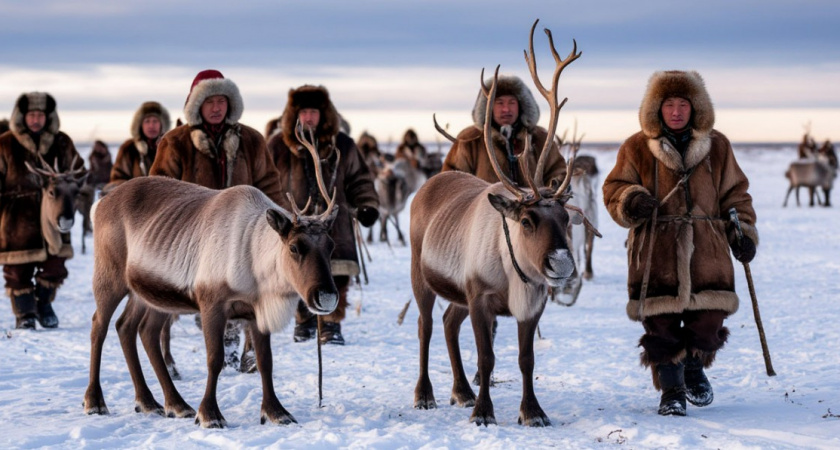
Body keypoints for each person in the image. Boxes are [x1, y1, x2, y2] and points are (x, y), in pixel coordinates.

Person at [602, 70, 758, 416]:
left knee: (709, 318)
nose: (675, 111)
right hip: (655, 249)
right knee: (662, 325)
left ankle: (694, 367)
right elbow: (613, 189)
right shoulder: (635, 147)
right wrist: (632, 200)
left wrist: (742, 232)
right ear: (656, 108)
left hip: (708, 247)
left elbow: (736, 194)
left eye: (682, 104)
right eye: (668, 104)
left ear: (695, 107)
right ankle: (671, 391)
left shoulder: (718, 146)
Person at [150, 70, 284, 372]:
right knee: (208, 297)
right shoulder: (175, 142)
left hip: (246, 234)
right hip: (193, 236)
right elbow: (157, 189)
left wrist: (280, 223)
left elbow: (269, 184)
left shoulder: (251, 140)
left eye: (222, 101)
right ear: (197, 104)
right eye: (210, 101)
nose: (216, 107)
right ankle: (188, 350)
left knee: (250, 293)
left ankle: (242, 349)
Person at [268, 85, 379, 345]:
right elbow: (265, 182)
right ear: (294, 114)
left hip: (333, 224)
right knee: (297, 269)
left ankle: (331, 322)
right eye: (303, 112)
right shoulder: (277, 145)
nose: (308, 117)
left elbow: (359, 179)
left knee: (337, 274)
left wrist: (366, 205)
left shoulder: (342, 144)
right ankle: (303, 318)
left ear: (324, 113)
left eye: (313, 112)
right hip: (293, 225)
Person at [0, 92, 85, 329]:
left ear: (48, 117)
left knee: (55, 266)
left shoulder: (62, 142)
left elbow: (80, 173)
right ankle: (25, 313)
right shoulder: (5, 143)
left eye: (40, 115)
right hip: (17, 220)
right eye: (31, 115)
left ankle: (44, 305)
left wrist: (71, 186)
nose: (36, 119)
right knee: (17, 272)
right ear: (22, 117)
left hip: (56, 217)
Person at [442, 74, 566, 185]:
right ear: (488, 107)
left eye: (512, 102)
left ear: (521, 105)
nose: (506, 109)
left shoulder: (540, 137)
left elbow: (557, 172)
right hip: (485, 209)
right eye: (499, 103)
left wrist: (553, 190)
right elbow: (452, 180)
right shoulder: (469, 139)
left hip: (534, 209)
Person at [103, 101, 170, 193]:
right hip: (136, 202)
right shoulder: (129, 148)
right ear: (140, 125)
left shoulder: (170, 148)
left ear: (162, 124)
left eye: (155, 121)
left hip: (166, 201)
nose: (151, 125)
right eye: (147, 121)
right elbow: (117, 179)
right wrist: (137, 191)